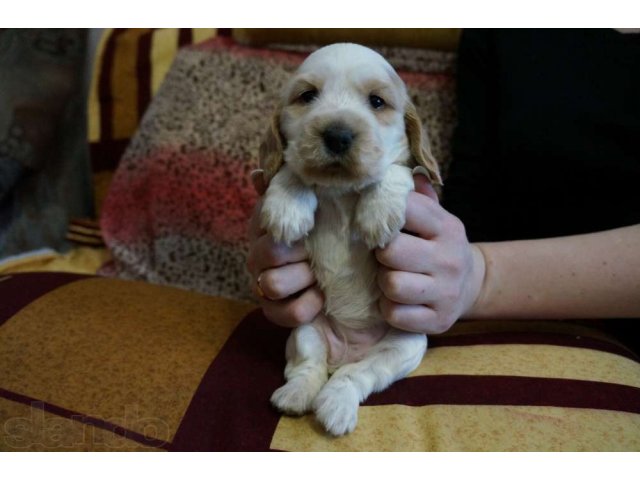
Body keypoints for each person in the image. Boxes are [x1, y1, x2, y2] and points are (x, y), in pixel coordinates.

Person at [246, 29, 640, 349]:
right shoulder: (505, 28)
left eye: (376, 100)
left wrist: (479, 277)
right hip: (439, 323)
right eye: (308, 96)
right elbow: (468, 188)